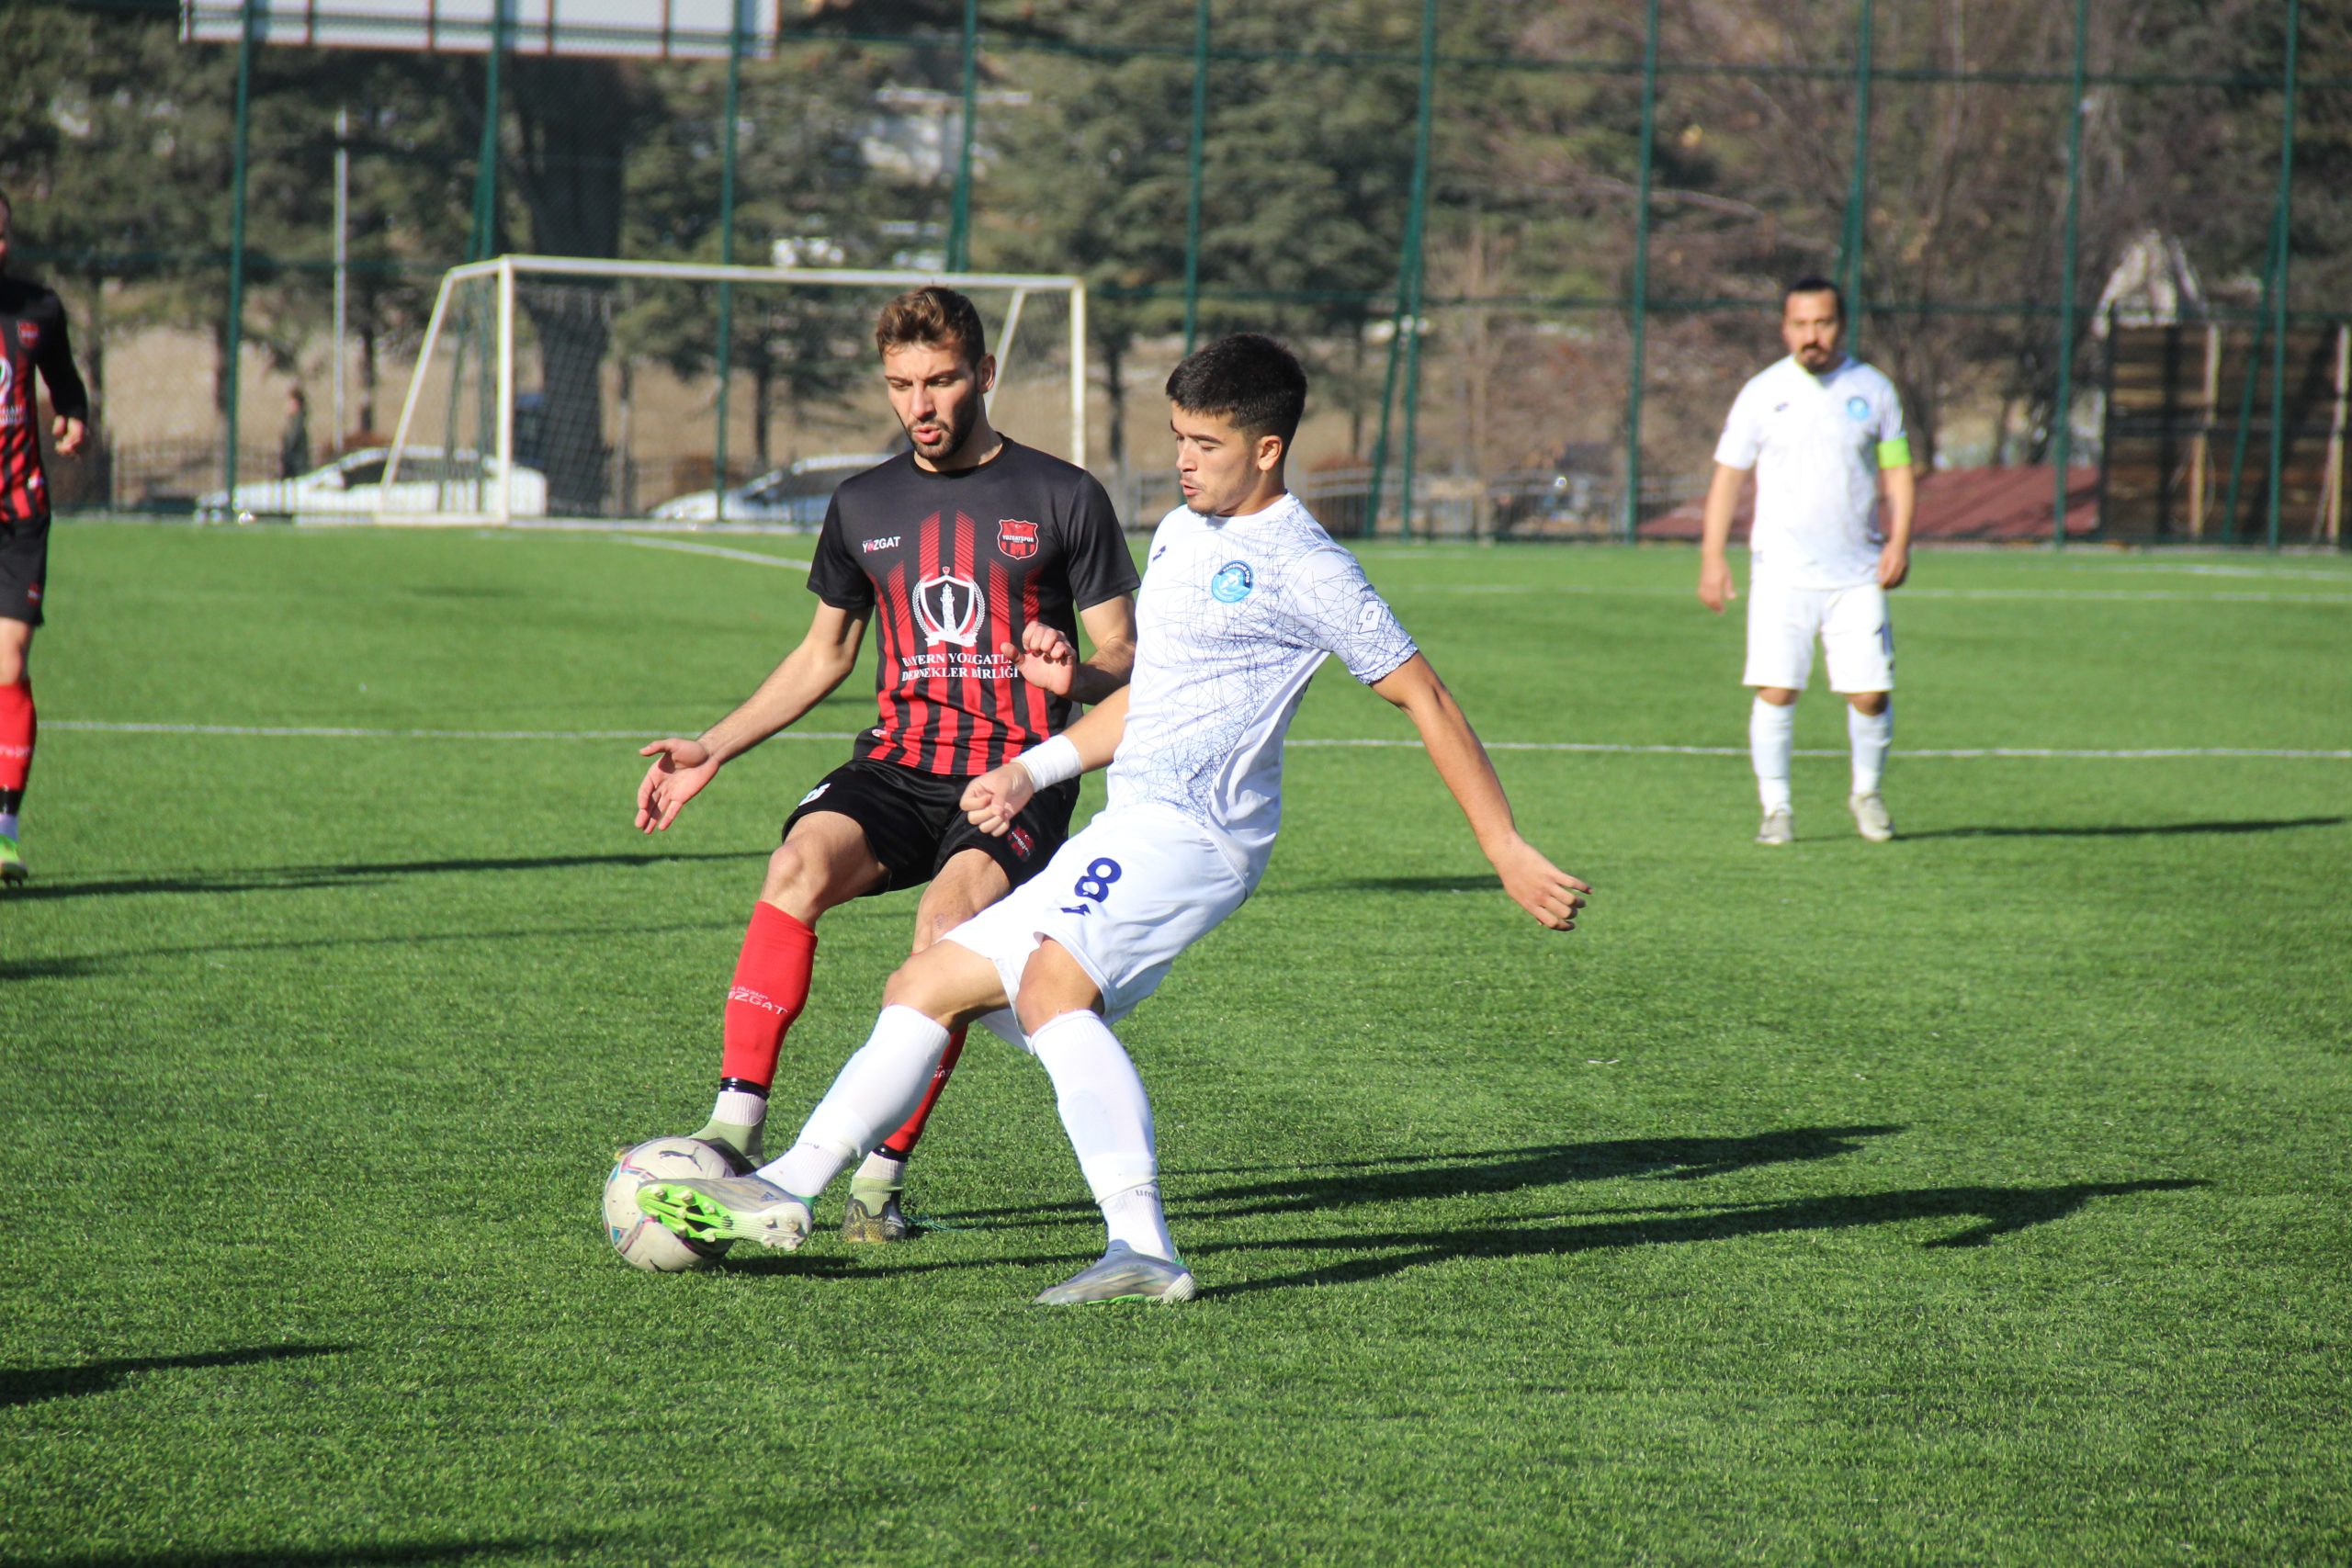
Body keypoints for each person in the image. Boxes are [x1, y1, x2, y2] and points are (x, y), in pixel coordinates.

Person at [637, 333, 1590, 1304]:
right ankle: (787, 1188)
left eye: (1205, 444)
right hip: (1132, 821)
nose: (1182, 461)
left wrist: (1502, 848)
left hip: (1198, 837)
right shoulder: (1184, 533)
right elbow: (1150, 697)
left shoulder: (1308, 565)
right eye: (1176, 438)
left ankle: (1142, 1248)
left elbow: (1424, 696)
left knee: (1054, 991)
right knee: (924, 980)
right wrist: (1031, 763)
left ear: (1266, 450)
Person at [631, 286, 1138, 1240]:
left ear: (982, 375)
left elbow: (1126, 655)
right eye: (903, 384)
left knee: (948, 925)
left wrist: (1076, 675)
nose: (923, 404)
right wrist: (713, 747)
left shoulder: (1064, 496)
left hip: (1015, 774)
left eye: (943, 380)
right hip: (899, 764)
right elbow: (825, 655)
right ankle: (734, 1127)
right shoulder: (863, 503)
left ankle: (878, 1177)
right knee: (796, 866)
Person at [1697, 276, 1915, 845]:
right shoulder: (1762, 391)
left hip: (1857, 572)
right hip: (1781, 572)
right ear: (1784, 328)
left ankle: (1866, 793)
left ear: (1840, 326)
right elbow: (1728, 476)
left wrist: (1899, 541)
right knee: (1776, 688)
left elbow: (1896, 470)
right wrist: (1712, 557)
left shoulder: (1873, 390)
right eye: (1800, 324)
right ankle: (1777, 807)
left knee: (1870, 694)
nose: (1811, 335)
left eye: (1821, 323)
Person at [0, 189, 92, 887]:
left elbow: (64, 381)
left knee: (11, 660)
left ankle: (3, 830)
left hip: (19, 510)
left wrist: (74, 415)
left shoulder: (38, 311)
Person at [279, 386, 310, 479]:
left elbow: (291, 447)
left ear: (296, 404)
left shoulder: (296, 424)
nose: (287, 405)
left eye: (290, 402)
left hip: (296, 470)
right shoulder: (294, 421)